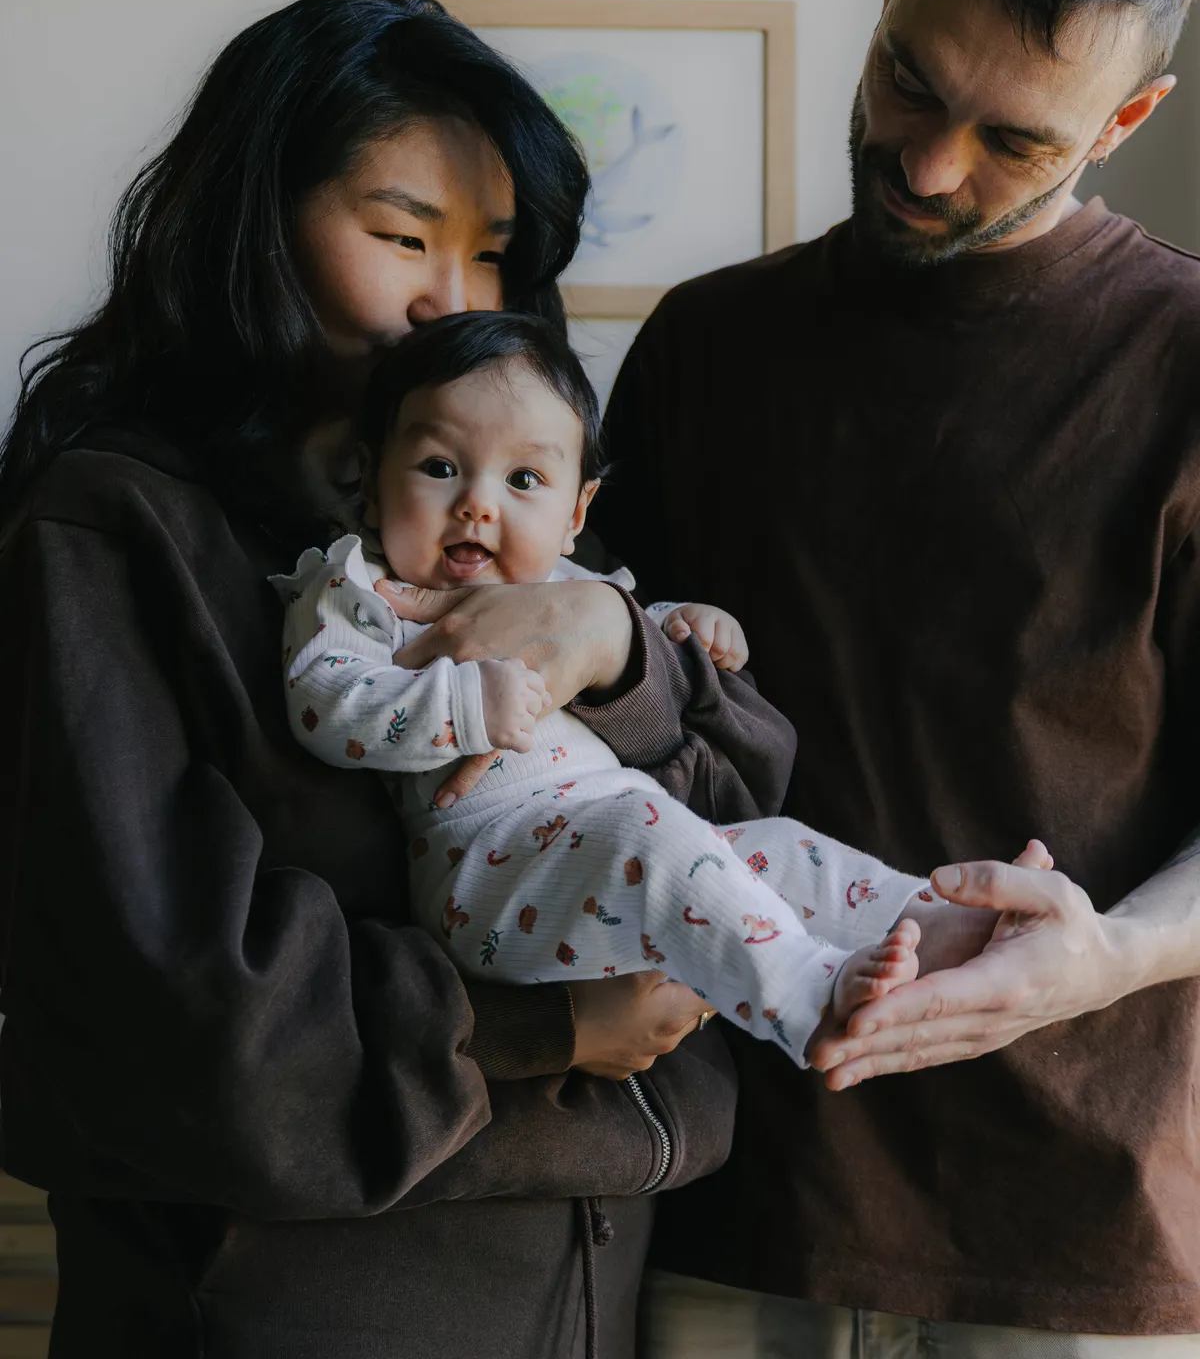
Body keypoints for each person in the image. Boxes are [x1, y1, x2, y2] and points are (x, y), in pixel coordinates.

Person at [0, 0, 803, 1359]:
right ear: (254, 226)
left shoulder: (503, 512)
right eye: (401, 235)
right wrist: (548, 1028)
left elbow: (733, 818)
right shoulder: (114, 532)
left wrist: (613, 649)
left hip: (582, 1304)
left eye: (493, 253)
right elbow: (189, 1012)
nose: (457, 299)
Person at [593, 0, 1200, 1355]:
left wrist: (1109, 959)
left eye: (1016, 140)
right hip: (726, 1200)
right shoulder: (705, 349)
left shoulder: (1184, 367)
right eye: (911, 80)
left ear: (1126, 123)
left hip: (1077, 1238)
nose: (927, 163)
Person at [277, 309, 957, 1051]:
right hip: (490, 876)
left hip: (614, 835)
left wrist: (677, 623)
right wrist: (464, 706)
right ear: (373, 484)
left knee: (778, 849)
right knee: (650, 833)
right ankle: (808, 996)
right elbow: (324, 703)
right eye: (439, 467)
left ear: (577, 512)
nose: (478, 502)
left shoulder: (565, 586)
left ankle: (934, 922)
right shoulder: (360, 588)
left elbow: (623, 633)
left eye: (524, 479)